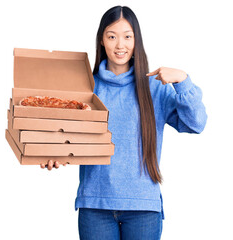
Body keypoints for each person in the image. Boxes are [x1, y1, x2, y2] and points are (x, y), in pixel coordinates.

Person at [41, 5, 207, 240]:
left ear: (136, 40)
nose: (120, 45)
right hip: (95, 205)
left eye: (127, 36)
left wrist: (183, 81)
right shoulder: (86, 88)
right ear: (102, 40)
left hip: (143, 208)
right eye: (112, 36)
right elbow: (66, 137)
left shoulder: (154, 87)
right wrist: (51, 153)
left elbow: (196, 123)